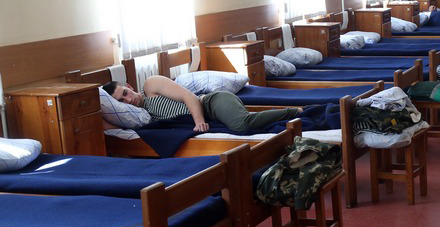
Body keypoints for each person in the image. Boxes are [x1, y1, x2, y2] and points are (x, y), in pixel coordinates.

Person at [102, 75, 301, 133]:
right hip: (210, 115)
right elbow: (110, 124)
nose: (128, 99)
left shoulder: (150, 85)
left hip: (210, 103)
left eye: (125, 93)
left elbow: (188, 96)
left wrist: (199, 122)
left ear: (129, 86)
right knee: (243, 125)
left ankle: (296, 111)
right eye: (121, 101)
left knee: (242, 125)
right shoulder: (139, 116)